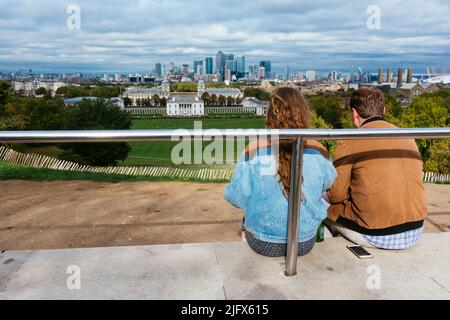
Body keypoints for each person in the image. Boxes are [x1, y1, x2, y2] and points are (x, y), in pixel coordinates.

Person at [224, 87, 337, 257]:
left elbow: (237, 198)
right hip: (304, 242)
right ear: (304, 113)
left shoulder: (255, 149)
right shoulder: (318, 150)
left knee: (247, 221)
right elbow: (329, 184)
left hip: (262, 242)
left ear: (270, 115)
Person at [325, 87, 428, 249]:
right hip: (416, 229)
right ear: (384, 110)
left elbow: (336, 195)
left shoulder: (350, 140)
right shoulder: (407, 136)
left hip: (377, 234)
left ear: (354, 113)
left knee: (322, 204)